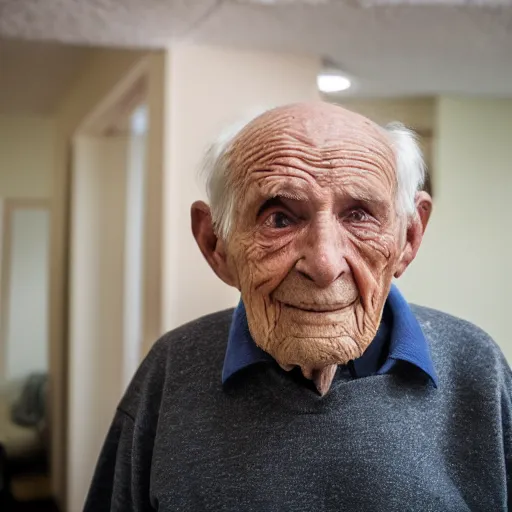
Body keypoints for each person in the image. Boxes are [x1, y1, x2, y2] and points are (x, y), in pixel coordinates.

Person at [84, 102, 511, 511]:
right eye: (280, 218)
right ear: (216, 244)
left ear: (409, 238)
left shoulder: (477, 369)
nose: (324, 264)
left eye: (359, 215)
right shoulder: (172, 369)